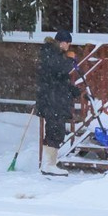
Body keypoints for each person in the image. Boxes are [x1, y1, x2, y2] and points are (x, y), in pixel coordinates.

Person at [35, 28, 77, 175]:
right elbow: (59, 70)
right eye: (67, 43)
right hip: (51, 100)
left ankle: (49, 162)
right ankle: (48, 164)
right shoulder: (51, 54)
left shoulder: (54, 54)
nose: (68, 47)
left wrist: (71, 90)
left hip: (54, 99)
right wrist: (70, 60)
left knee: (56, 129)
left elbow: (59, 79)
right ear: (61, 42)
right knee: (55, 129)